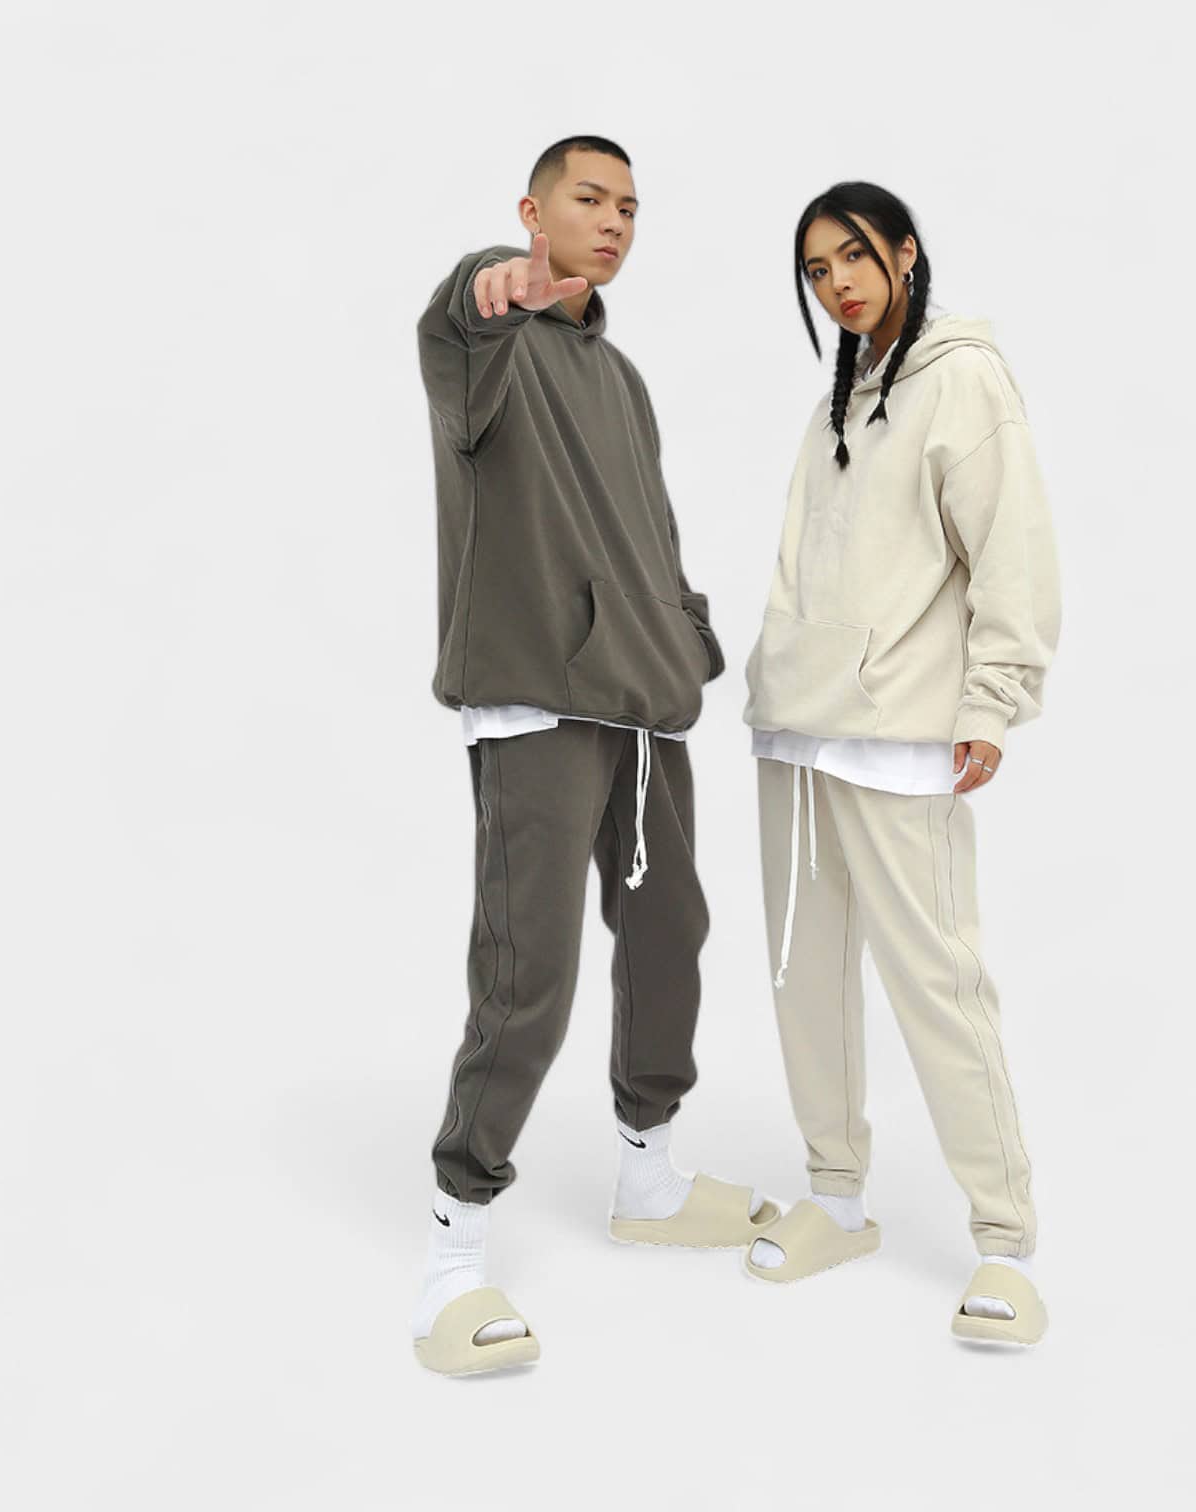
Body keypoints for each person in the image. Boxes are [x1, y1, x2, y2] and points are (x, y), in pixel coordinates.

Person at [410, 135, 776, 1377]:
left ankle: (648, 1179)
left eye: (629, 205)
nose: (613, 220)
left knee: (671, 935)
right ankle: (453, 1251)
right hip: (538, 706)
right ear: (533, 209)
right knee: (532, 977)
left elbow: (652, 537)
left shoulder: (621, 379)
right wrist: (492, 286)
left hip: (642, 709)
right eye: (588, 198)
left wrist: (688, 640)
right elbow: (460, 312)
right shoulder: (488, 346)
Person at [740, 182, 1062, 1345]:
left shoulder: (961, 380)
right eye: (817, 270)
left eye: (854, 257)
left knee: (938, 986)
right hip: (798, 730)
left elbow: (1013, 554)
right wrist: (768, 680)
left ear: (906, 252)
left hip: (901, 734)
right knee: (805, 979)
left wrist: (993, 702)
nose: (837, 283)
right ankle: (836, 1197)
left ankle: (1004, 1243)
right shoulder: (841, 396)